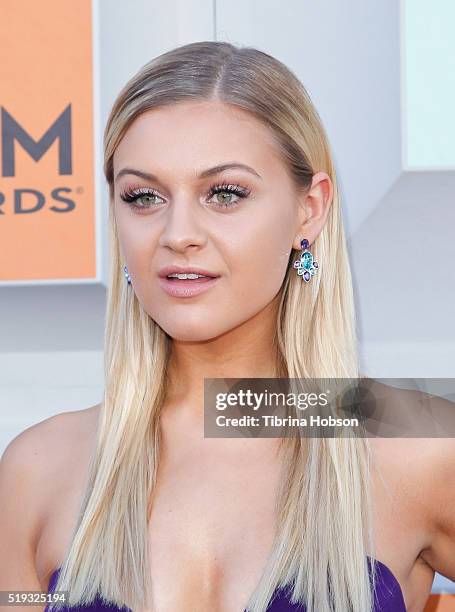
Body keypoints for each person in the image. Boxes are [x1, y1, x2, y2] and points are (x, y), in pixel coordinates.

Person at [1, 40, 454, 612]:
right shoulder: (39, 468)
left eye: (225, 193)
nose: (177, 233)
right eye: (143, 197)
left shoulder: (414, 443)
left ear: (308, 210)